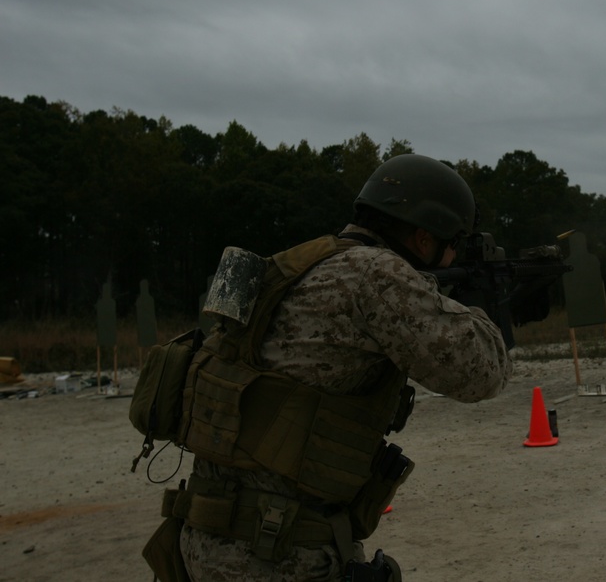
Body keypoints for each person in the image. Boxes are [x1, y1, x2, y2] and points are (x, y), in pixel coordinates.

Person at [176, 154, 511, 581]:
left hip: (204, 537)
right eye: (451, 245)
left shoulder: (298, 262)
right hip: (276, 553)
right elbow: (479, 374)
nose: (451, 257)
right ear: (424, 239)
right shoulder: (376, 275)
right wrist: (486, 314)